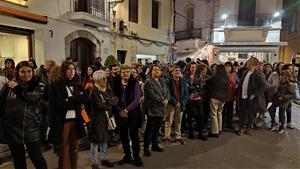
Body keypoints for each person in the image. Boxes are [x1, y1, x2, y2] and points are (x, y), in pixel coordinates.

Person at [0, 61, 47, 169]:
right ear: (17, 72)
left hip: (31, 128)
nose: (26, 74)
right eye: (23, 72)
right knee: (18, 160)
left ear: (33, 72)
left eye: (29, 71)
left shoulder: (38, 85)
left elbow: (32, 98)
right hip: (12, 128)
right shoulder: (8, 86)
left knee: (37, 158)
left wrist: (16, 88)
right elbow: (1, 103)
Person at [48, 61, 87, 169]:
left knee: (74, 148)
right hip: (63, 121)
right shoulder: (57, 85)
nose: (71, 71)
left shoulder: (78, 84)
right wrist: (76, 100)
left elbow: (85, 98)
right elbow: (59, 104)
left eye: (73, 69)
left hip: (76, 120)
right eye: (69, 69)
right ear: (64, 71)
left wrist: (70, 100)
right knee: (63, 149)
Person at [113, 65, 144, 167]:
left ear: (130, 73)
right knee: (123, 136)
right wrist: (119, 110)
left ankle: (137, 157)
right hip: (120, 113)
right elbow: (114, 98)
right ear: (120, 73)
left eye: (127, 71)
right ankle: (127, 155)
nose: (126, 73)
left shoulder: (134, 83)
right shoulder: (116, 83)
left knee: (134, 136)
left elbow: (137, 100)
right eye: (123, 72)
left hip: (132, 114)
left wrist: (126, 110)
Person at [88, 70, 118, 169]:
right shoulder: (94, 91)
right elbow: (99, 105)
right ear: (98, 80)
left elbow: (116, 100)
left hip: (106, 118)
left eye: (106, 78)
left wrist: (108, 101)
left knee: (105, 139)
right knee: (95, 141)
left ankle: (104, 159)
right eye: (104, 78)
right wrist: (110, 106)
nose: (106, 80)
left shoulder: (107, 88)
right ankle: (94, 162)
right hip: (97, 120)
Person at [236, 57, 268, 136]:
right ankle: (241, 128)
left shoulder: (259, 74)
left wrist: (254, 94)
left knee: (251, 114)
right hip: (243, 96)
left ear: (253, 64)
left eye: (249, 62)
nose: (247, 62)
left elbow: (265, 86)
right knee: (242, 113)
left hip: (251, 98)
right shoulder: (245, 71)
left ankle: (248, 128)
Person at [143, 64, 169, 157]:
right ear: (151, 71)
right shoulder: (148, 82)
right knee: (149, 129)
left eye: (158, 70)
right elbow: (152, 95)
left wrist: (167, 99)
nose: (157, 71)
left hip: (161, 108)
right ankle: (146, 148)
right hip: (152, 109)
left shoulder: (162, 80)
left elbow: (167, 91)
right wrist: (163, 100)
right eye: (155, 70)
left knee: (157, 129)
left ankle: (155, 145)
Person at [164, 65, 188, 144]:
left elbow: (186, 94)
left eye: (179, 71)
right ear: (172, 72)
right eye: (176, 70)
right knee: (169, 121)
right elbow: (167, 93)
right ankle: (167, 136)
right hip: (171, 104)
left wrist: (181, 102)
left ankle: (178, 136)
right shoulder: (168, 81)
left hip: (180, 104)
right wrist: (175, 102)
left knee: (178, 121)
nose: (178, 72)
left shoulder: (183, 81)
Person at [184, 62, 207, 140]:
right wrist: (194, 88)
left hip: (197, 98)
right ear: (189, 68)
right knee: (189, 116)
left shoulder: (198, 77)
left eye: (194, 67)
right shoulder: (185, 77)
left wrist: (194, 90)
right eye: (192, 67)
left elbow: (200, 88)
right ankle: (191, 133)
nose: (193, 69)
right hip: (189, 99)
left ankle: (201, 133)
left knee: (201, 115)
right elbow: (186, 88)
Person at [206, 64, 229, 137]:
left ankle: (215, 132)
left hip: (215, 97)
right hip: (223, 98)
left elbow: (208, 82)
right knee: (219, 113)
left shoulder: (215, 77)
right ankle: (219, 129)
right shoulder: (226, 77)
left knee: (214, 114)